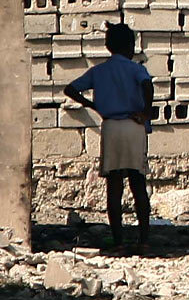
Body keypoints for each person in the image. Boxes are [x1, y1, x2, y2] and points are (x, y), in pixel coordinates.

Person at [64, 22, 154, 253]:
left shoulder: (99, 71)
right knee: (138, 184)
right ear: (130, 46)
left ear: (108, 46)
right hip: (134, 126)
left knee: (114, 187)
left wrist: (93, 105)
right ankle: (144, 240)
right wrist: (145, 111)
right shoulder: (135, 69)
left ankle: (119, 242)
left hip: (111, 126)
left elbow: (70, 89)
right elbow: (147, 84)